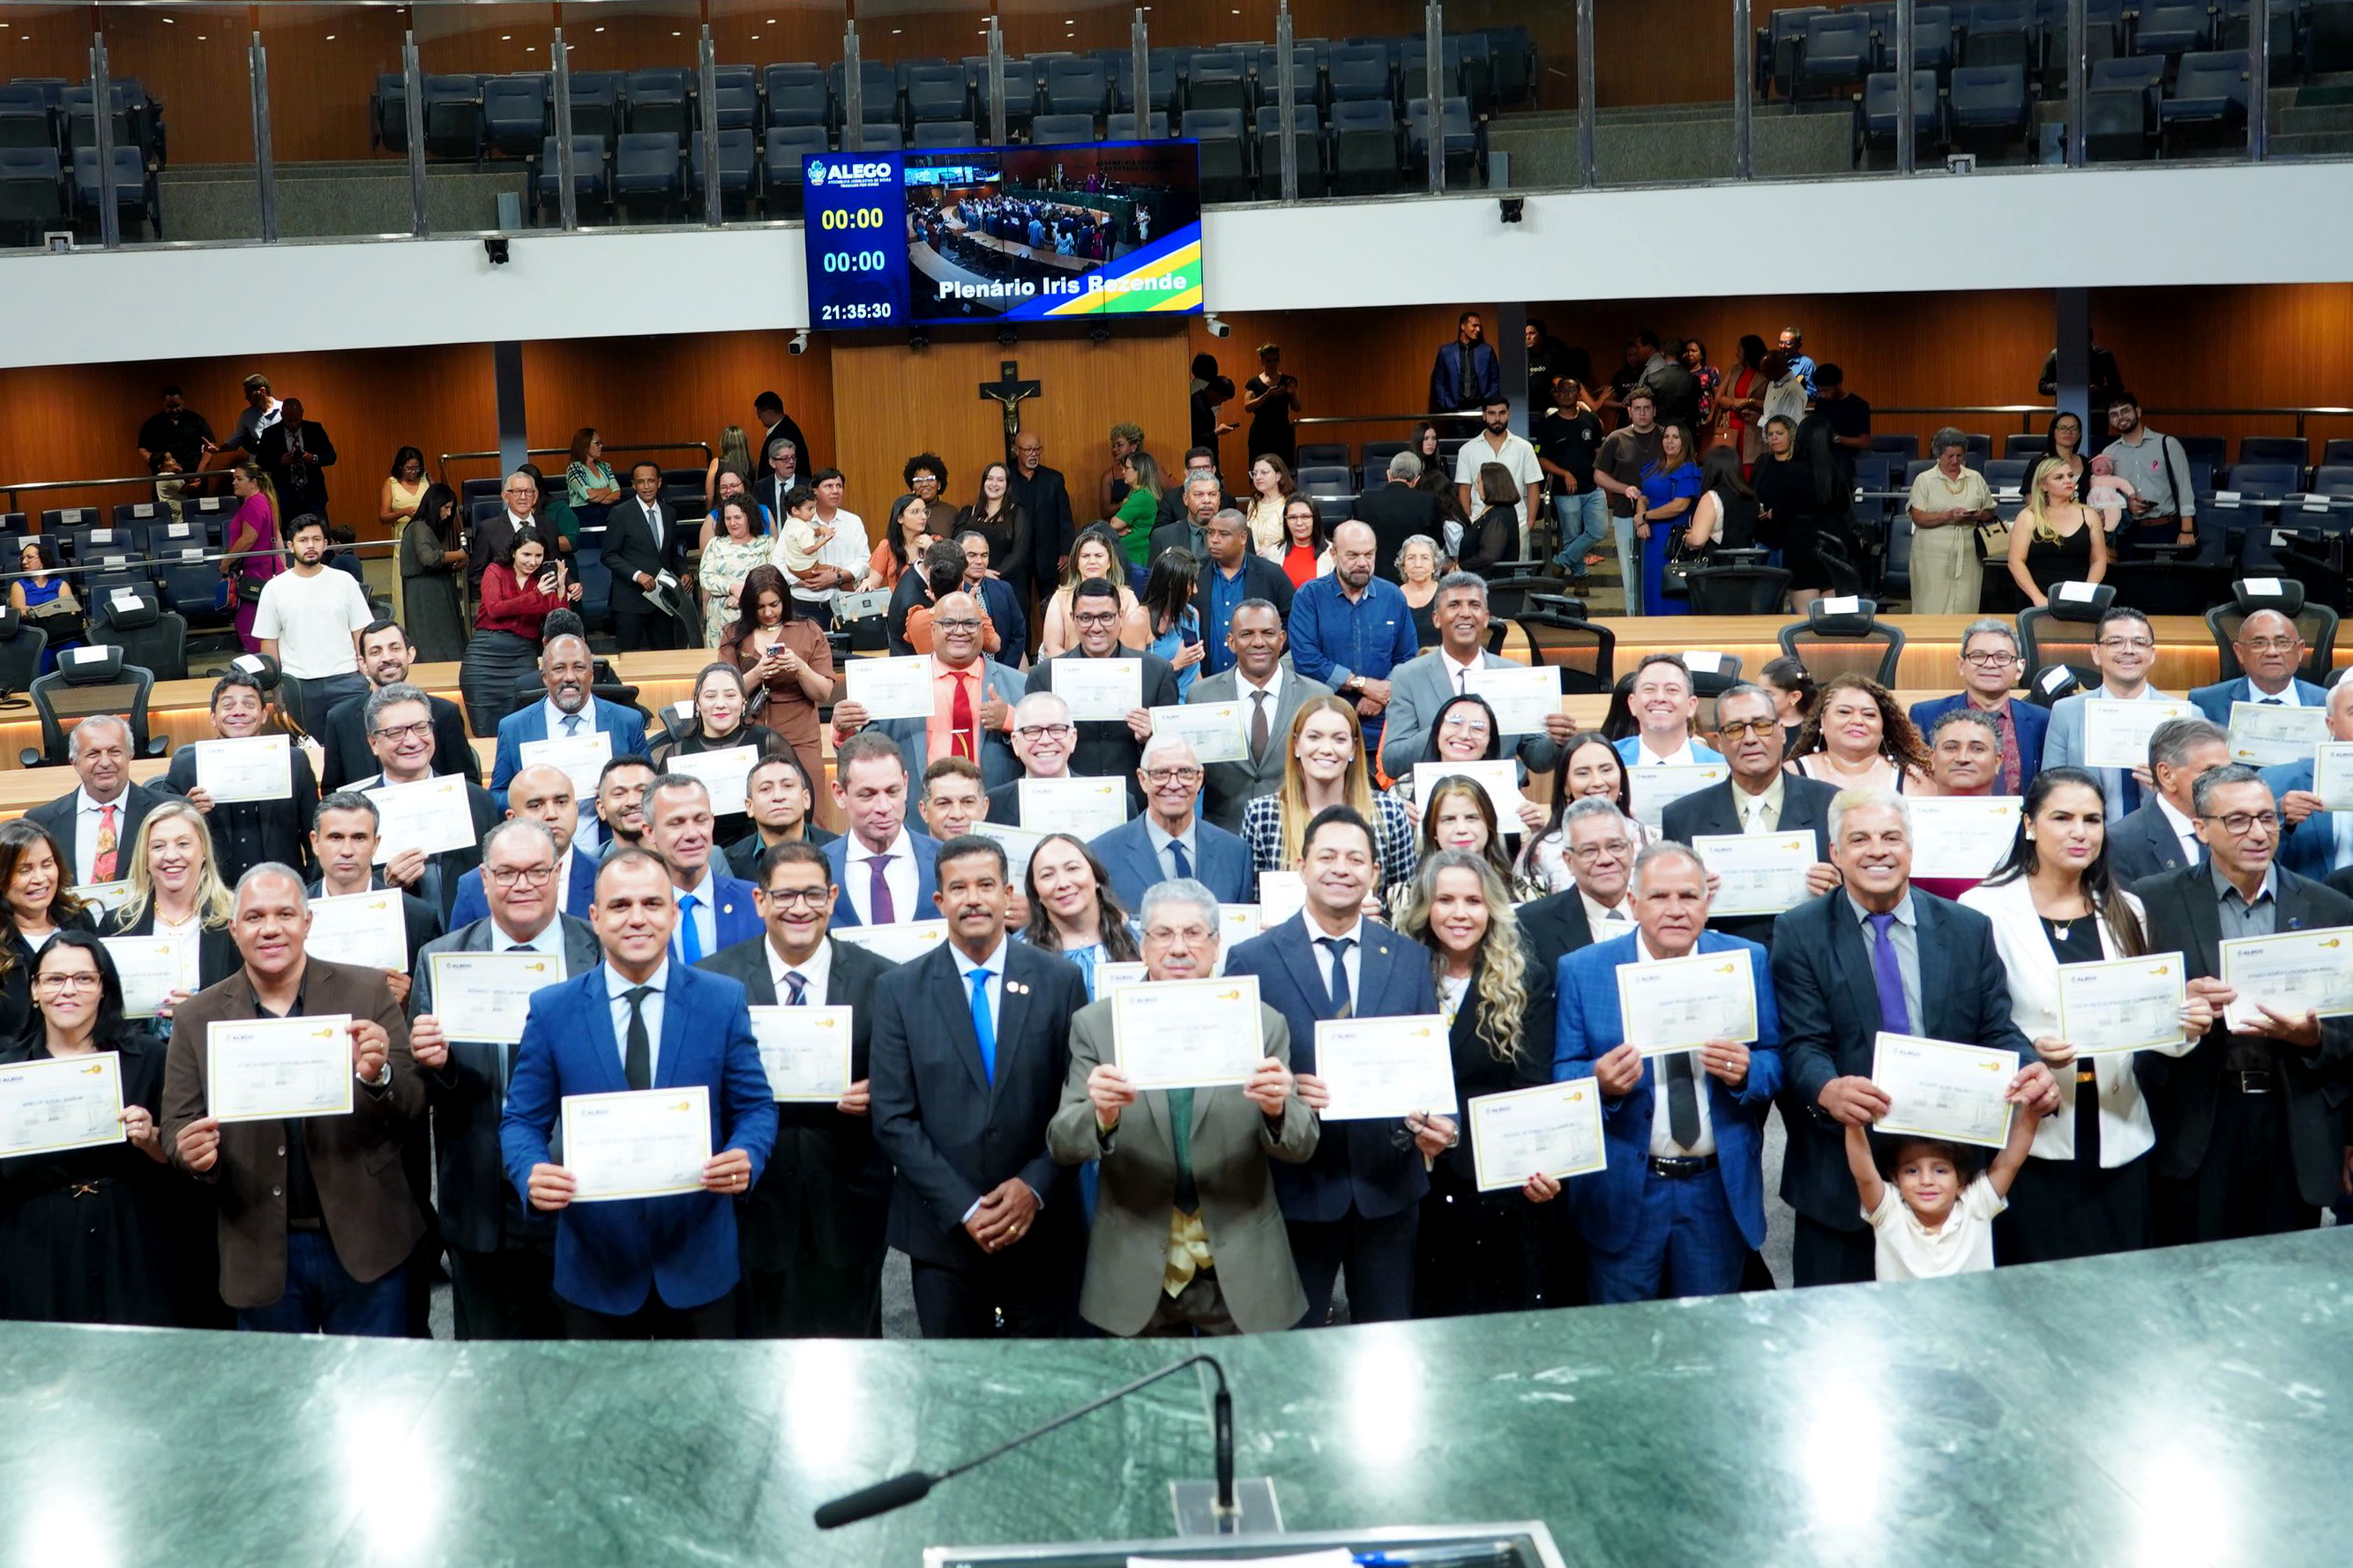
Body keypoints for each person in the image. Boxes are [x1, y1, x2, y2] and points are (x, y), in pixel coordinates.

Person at [1770, 789, 2047, 1287]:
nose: (1878, 850)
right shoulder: (1800, 931)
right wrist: (1827, 1089)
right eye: (1860, 839)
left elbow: (1996, 1028)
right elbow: (1802, 1043)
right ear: (1835, 853)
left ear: (1911, 849)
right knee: (1837, 1327)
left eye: (1891, 837)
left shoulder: (1967, 928)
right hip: (1839, 1177)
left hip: (1948, 1180)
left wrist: (2029, 1066)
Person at [497, 849, 776, 1339]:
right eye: (621, 905)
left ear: (673, 913)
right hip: (595, 1268)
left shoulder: (722, 999)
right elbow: (521, 1121)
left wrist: (746, 1153)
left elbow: (755, 1107)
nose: (638, 918)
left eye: (652, 903)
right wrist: (530, 1170)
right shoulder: (553, 1009)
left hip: (699, 1261)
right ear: (595, 917)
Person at [1960, 766, 2212, 1265]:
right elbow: (1972, 1022)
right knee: (2036, 1289)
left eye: (2092, 820)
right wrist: (2028, 1054)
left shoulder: (2127, 908)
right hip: (2031, 1137)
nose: (2080, 832)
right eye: (2062, 818)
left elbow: (2148, 1021)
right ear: (2029, 824)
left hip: (2119, 1131)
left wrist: (2186, 1021)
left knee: (2120, 1282)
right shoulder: (1982, 909)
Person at [161, 863, 422, 1333]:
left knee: (376, 1379)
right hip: (258, 1246)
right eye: (255, 917)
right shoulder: (196, 1017)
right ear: (234, 928)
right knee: (275, 1384)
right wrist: (191, 1152)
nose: (270, 929)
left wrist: (379, 1075)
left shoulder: (366, 991)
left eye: (284, 914)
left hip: (366, 1238)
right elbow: (177, 1126)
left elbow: (414, 1101)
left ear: (307, 921)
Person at [1049, 877, 1316, 1336]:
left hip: (1242, 1260)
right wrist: (1102, 1116)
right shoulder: (1097, 1026)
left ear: (1216, 945)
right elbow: (1062, 1143)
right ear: (1142, 945)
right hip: (1134, 1261)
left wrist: (1277, 1111)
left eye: (1193, 933)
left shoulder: (1260, 1023)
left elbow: (1302, 1145)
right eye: (1163, 934)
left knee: (1248, 1383)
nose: (1178, 948)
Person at [1226, 806, 1445, 1324]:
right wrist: (1283, 1096)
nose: (1341, 868)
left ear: (1375, 872)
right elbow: (1234, 1080)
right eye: (1327, 857)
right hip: (1294, 1191)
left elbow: (1429, 1067)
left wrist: (1441, 1123)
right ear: (1301, 866)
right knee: (1292, 1348)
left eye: (1355, 859)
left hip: (1388, 1190)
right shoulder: (1252, 959)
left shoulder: (1410, 958)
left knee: (1386, 1346)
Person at [869, 835, 1092, 1337]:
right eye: (959, 888)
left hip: (1043, 1231)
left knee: (1042, 1375)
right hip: (944, 1236)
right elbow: (893, 1118)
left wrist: (1034, 1187)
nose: (973, 899)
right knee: (954, 1380)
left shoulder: (1059, 982)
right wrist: (965, 1207)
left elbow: (1075, 1103)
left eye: (986, 885)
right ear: (939, 900)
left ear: (1008, 894)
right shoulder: (899, 990)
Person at [1554, 842, 1782, 1303]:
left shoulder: (1745, 959)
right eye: (1659, 896)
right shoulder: (1583, 970)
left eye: (1688, 896)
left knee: (1708, 1333)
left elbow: (1776, 1059)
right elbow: (1563, 1073)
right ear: (1633, 902)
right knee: (1626, 1336)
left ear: (1707, 901)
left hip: (1714, 1190)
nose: (1675, 910)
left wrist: (1747, 1071)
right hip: (1626, 1190)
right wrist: (1599, 1082)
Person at [2134, 765, 2353, 1243]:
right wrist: (2178, 1006)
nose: (2257, 833)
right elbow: (2132, 1018)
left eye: (2267, 818)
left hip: (2293, 1124)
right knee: (2197, 1272)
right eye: (2237, 820)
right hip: (2197, 1122)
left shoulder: (2330, 908)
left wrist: (2314, 1037)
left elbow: (2349, 1034)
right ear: (2201, 828)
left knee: (2285, 1273)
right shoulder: (2152, 902)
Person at [691, 840, 897, 1337]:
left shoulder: (883, 979)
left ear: (832, 897)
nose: (799, 908)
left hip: (850, 1205)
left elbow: (908, 1081)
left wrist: (882, 1094)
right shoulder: (713, 981)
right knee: (755, 1358)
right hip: (751, 1205)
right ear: (760, 901)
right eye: (784, 896)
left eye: (812, 894)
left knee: (851, 1361)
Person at [406, 819, 599, 1341]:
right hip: (482, 1199)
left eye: (537, 871)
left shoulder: (599, 951)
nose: (523, 885)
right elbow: (421, 1091)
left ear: (558, 874)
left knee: (585, 1365)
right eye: (508, 873)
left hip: (578, 1193)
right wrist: (435, 1065)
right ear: (485, 879)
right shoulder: (442, 958)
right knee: (486, 1369)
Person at [0, 933, 174, 1325]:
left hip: (131, 1240)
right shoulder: (7, 1069)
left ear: (103, 988)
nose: (68, 990)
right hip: (35, 1246)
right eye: (54, 979)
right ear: (34, 990)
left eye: (83, 979)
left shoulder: (149, 1057)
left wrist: (151, 1139)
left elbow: (180, 1162)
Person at [1659, 683, 1842, 950]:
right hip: (1723, 962)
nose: (1750, 738)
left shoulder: (1831, 805)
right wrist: (1688, 896)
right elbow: (1666, 909)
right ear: (1718, 742)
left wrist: (1840, 893)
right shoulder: (1682, 818)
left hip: (1814, 958)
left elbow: (1862, 900)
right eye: (1735, 729)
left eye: (1762, 725)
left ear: (1782, 732)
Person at [1378, 571, 1572, 784]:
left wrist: (1557, 742)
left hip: (1498, 795)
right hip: (1434, 796)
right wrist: (1443, 728)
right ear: (1436, 618)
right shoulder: (1408, 676)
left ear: (1486, 618)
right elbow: (1393, 763)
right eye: (1454, 605)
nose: (1465, 613)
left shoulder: (1514, 675)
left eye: (1474, 605)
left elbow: (1537, 759)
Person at [833, 590, 1027, 791]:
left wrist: (1013, 721)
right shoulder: (895, 682)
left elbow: (1045, 753)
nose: (960, 631)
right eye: (949, 623)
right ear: (933, 630)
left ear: (982, 630)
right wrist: (842, 731)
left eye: (970, 624)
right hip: (919, 807)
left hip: (994, 808)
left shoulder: (1019, 685)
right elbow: (863, 755)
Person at [1845, 1086, 2042, 1281]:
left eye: (1940, 1171)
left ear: (1961, 1181)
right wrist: (1853, 1121)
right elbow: (1864, 1176)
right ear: (1896, 1178)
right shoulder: (1888, 1211)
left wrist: (2033, 1111)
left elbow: (2010, 1162)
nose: (1926, 1181)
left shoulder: (1977, 1204)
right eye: (1912, 1171)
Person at [349, 685, 502, 922]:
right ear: (374, 743)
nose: (412, 741)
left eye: (421, 727)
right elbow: (329, 892)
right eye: (396, 732)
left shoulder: (477, 800)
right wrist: (384, 883)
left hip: (470, 935)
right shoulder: (351, 814)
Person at [1242, 696, 1419, 892]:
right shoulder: (1261, 815)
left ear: (1353, 748)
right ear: (1296, 745)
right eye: (1314, 737)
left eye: (1339, 739)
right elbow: (1252, 900)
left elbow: (1405, 902)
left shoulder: (1390, 813)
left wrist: (1376, 909)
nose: (1326, 749)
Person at [164, 668, 319, 887]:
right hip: (214, 894)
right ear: (213, 717)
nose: (239, 712)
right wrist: (186, 812)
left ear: (264, 715)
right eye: (228, 705)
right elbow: (160, 834)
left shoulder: (294, 762)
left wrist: (310, 890)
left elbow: (316, 837)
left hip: (281, 891)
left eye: (249, 704)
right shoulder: (185, 768)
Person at [1189, 601, 1333, 835]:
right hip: (1224, 835)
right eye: (1247, 634)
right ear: (1231, 642)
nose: (1258, 642)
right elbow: (1191, 771)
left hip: (1297, 835)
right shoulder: (1202, 696)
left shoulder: (1316, 697)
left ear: (1282, 639)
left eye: (1268, 633)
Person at [1020, 579, 1169, 796]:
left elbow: (1173, 752)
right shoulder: (1044, 677)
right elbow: (1030, 746)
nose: (1096, 627)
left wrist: (1154, 735)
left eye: (1106, 617)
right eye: (1086, 618)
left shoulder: (1157, 672)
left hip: (1137, 801)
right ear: (1073, 618)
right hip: (1067, 798)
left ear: (1121, 617)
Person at [1286, 521, 1417, 765]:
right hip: (1325, 730)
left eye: (1369, 554)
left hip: (1383, 729)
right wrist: (1363, 685)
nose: (1362, 562)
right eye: (1353, 555)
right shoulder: (1309, 597)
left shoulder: (1393, 597)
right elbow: (1307, 660)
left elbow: (1407, 658)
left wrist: (1382, 692)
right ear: (1334, 554)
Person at [2040, 605, 2175, 821]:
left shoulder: (2184, 717)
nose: (2128, 650)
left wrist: (2170, 789)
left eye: (2139, 643)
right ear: (2096, 653)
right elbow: (2049, 792)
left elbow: (2202, 795)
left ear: (2152, 654)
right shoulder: (2066, 713)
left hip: (2162, 835)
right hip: (2088, 836)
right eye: (2115, 642)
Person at [1089, 732, 1253, 909]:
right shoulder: (1102, 855)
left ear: (1199, 778)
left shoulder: (1236, 854)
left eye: (1185, 772)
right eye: (1161, 773)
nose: (1174, 784)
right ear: (1143, 780)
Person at [714, 564, 834, 797]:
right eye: (760, 607)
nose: (768, 613)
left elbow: (823, 693)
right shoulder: (733, 633)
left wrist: (800, 668)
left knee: (809, 803)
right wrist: (758, 673)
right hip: (749, 735)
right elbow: (725, 693)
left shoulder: (809, 631)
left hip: (800, 736)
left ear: (785, 601)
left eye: (774, 604)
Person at [251, 514, 375, 731]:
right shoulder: (274, 588)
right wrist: (277, 691)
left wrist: (368, 678)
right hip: (297, 684)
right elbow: (269, 643)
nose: (310, 545)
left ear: (325, 544)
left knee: (355, 745)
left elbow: (361, 634)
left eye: (316, 539)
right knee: (308, 748)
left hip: (348, 681)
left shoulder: (345, 582)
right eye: (303, 540)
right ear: (290, 546)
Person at [1907, 620, 2050, 799]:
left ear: (2020, 668)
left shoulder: (2042, 720)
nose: (1990, 664)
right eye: (1978, 656)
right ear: (1961, 665)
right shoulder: (1925, 716)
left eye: (2002, 657)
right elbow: (1915, 783)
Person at [448, 762, 602, 925]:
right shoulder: (474, 886)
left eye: (561, 802)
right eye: (536, 806)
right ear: (512, 818)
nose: (552, 814)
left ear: (576, 809)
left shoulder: (605, 878)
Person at [652, 663, 785, 849]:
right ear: (697, 703)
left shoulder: (768, 742)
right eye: (710, 696)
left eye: (730, 695)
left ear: (743, 701)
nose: (721, 704)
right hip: (694, 850)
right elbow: (659, 814)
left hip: (761, 850)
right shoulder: (677, 753)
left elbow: (797, 799)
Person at [641, 773, 762, 969]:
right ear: (649, 832)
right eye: (676, 823)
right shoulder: (635, 914)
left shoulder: (755, 903)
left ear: (712, 822)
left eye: (700, 820)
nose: (692, 834)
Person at [25, 713, 161, 886]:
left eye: (114, 752)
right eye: (93, 754)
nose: (105, 762)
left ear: (130, 755)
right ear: (74, 762)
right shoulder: (41, 822)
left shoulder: (164, 811)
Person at [823, 731, 941, 927]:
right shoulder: (817, 869)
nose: (884, 807)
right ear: (840, 794)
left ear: (906, 784)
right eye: (867, 795)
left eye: (892, 791)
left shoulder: (945, 861)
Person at [0, 819, 95, 1064]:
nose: (40, 878)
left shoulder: (79, 920)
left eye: (47, 864)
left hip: (86, 1062)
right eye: (24, 870)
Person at [2104, 716, 2231, 887]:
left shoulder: (2241, 828)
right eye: (2211, 771)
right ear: (2166, 775)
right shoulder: (2120, 842)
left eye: (2228, 771)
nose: (2225, 781)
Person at [1022, 832, 1144, 990]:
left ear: (1096, 877)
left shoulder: (1143, 936)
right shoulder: (1021, 952)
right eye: (1047, 875)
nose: (1063, 883)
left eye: (1072, 868)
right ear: (1035, 891)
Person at [1522, 735, 1642, 892]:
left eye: (1606, 770)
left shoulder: (1649, 839)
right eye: (1583, 773)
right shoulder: (1542, 850)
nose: (1597, 782)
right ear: (1565, 784)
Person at [1907, 427, 1998, 616]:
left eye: (1959, 456)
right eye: (1950, 456)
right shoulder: (1924, 480)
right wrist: (1948, 516)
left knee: (1966, 602)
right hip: (1931, 554)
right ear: (1939, 455)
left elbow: (1990, 512)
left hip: (1969, 552)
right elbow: (1918, 517)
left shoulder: (1975, 478)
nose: (1955, 461)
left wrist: (1979, 515)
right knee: (1931, 602)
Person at [1788, 674, 1931, 795]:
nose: (1857, 721)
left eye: (1869, 715)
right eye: (1844, 712)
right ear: (1823, 721)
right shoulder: (1791, 774)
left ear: (1884, 726)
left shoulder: (1913, 778)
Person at [603, 460, 692, 652]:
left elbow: (671, 553)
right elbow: (608, 555)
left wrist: (684, 572)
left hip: (662, 600)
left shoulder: (669, 513)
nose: (646, 486)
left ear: (659, 482)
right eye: (641, 482)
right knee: (627, 658)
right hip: (630, 602)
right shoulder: (620, 513)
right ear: (633, 485)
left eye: (650, 481)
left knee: (666, 657)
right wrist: (637, 575)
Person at [1196, 507, 1296, 679]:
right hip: (1204, 679)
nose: (1214, 540)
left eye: (1223, 534)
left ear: (1243, 538)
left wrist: (1269, 650)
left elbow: (1293, 619)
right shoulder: (1195, 573)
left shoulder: (1270, 574)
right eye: (1211, 533)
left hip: (1257, 679)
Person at [1592, 387, 1662, 615]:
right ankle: (1634, 620)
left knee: (1659, 573)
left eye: (1647, 408)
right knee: (1630, 576)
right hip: (1625, 513)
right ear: (1629, 412)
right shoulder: (1616, 438)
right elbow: (1599, 475)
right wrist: (1624, 489)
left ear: (1654, 410)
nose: (1642, 413)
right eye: (1637, 409)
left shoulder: (1666, 436)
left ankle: (1660, 620)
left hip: (1663, 513)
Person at [2102, 392, 2200, 554]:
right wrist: (2126, 505)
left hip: (2166, 528)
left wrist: (2187, 530)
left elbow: (2184, 489)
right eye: (2114, 415)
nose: (2120, 417)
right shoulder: (2109, 453)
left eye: (2125, 411)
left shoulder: (2167, 444)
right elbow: (2106, 495)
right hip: (2128, 531)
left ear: (2138, 412)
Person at [1535, 376, 1610, 586]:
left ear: (1579, 395)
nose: (1567, 395)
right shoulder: (1548, 425)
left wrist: (1604, 473)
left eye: (1571, 391)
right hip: (1564, 490)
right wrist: (1565, 473)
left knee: (1599, 530)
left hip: (1593, 487)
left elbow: (1599, 451)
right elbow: (1541, 459)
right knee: (1571, 536)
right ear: (1556, 395)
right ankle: (1580, 578)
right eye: (1563, 391)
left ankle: (1559, 562)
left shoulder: (1591, 420)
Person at [1008, 431, 1078, 653]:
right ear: (1016, 451)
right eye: (1028, 449)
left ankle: (1053, 651)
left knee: (1052, 605)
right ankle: (1023, 655)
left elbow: (1064, 516)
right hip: (1016, 556)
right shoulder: (1006, 478)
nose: (1034, 454)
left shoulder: (1053, 479)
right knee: (1020, 607)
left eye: (1037, 449)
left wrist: (1066, 549)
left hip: (1048, 554)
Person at [2006, 457, 2108, 607]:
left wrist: (2086, 593)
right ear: (2044, 485)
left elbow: (2099, 560)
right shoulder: (2028, 516)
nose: (2068, 481)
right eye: (2059, 477)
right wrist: (2038, 598)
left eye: (2070, 476)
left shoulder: (2089, 515)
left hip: (2079, 600)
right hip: (2036, 599)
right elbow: (2015, 561)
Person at [1752, 414, 1828, 611]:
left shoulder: (1800, 466)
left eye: (1779, 433)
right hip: (1767, 537)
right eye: (1770, 434)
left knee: (1799, 598)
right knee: (1767, 598)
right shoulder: (1763, 463)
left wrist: (1777, 513)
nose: (1774, 438)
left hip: (1792, 539)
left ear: (1791, 435)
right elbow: (1752, 492)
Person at [2190, 608, 2326, 720]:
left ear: (2300, 650)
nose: (2272, 652)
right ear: (2239, 652)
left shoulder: (2328, 703)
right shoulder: (2205, 703)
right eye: (2259, 644)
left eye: (2283, 643)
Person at [1454, 395, 1544, 559]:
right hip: (1479, 523)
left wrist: (1529, 523)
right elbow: (1464, 489)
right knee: (1482, 571)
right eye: (1492, 413)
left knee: (1518, 571)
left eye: (1502, 413)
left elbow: (1533, 486)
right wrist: (1469, 520)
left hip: (1518, 524)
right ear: (1484, 415)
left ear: (1508, 414)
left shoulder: (1524, 448)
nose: (1497, 418)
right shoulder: (1467, 450)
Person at [721, 754, 833, 877]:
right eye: (765, 789)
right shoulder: (729, 863)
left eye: (788, 786)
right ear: (750, 806)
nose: (778, 796)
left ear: (806, 799)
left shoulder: (838, 851)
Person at [1632, 422, 1703, 617]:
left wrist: (1646, 516)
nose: (1669, 441)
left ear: (1684, 442)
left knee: (1672, 589)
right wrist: (1642, 522)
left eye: (1675, 437)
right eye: (1666, 437)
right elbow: (1643, 498)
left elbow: (1679, 505)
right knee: (1653, 587)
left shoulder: (1687, 469)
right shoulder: (1655, 467)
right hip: (1652, 537)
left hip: (1673, 539)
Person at [1037, 525, 1137, 661]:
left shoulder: (1128, 598)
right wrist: (1080, 669)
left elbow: (1133, 649)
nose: (1092, 561)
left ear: (1109, 562)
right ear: (1076, 563)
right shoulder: (1060, 598)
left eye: (1099, 556)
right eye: (1085, 556)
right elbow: (1052, 647)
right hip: (1070, 669)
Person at [395, 481, 467, 662]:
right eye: (446, 508)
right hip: (426, 594)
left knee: (443, 640)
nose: (448, 514)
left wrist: (452, 565)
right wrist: (459, 554)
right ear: (435, 505)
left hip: (436, 589)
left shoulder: (424, 527)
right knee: (433, 643)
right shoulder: (419, 527)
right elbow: (429, 558)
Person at [1614, 654, 1727, 769]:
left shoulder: (1723, 767)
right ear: (1632, 704)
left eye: (1672, 689)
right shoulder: (1609, 758)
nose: (1660, 698)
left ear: (1691, 705)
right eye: (1649, 689)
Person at [1122, 548, 1205, 702]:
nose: (1195, 590)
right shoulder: (1138, 622)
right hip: (1159, 707)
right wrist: (1175, 664)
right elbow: (1130, 681)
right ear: (1172, 585)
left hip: (1192, 705)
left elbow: (1195, 671)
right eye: (1190, 583)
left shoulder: (1192, 614)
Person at [220, 460, 283, 653]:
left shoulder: (254, 504)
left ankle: (267, 664)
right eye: (234, 478)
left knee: (247, 624)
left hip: (258, 573)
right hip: (267, 570)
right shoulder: (264, 500)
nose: (234, 482)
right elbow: (277, 536)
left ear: (253, 482)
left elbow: (248, 539)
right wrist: (284, 567)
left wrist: (225, 563)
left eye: (239, 479)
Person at [701, 495, 778, 642]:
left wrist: (743, 594)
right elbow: (706, 578)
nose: (732, 523)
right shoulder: (715, 544)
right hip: (721, 619)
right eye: (728, 518)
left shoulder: (767, 543)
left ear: (749, 517)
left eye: (737, 517)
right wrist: (732, 588)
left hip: (757, 614)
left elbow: (773, 577)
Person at [253, 398, 336, 520]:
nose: (293, 424)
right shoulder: (270, 434)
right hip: (285, 496)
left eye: (297, 420)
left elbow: (331, 456)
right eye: (289, 420)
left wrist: (313, 458)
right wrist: (280, 462)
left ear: (302, 413)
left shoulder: (315, 429)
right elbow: (260, 462)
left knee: (319, 528)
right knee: (289, 529)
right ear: (282, 415)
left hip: (313, 494)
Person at [955, 460, 1030, 596]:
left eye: (1000, 480)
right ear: (984, 482)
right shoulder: (969, 512)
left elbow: (1019, 553)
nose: (994, 484)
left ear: (1007, 485)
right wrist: (980, 573)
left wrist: (990, 574)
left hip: (1007, 584)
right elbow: (956, 548)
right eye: (990, 479)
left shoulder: (1018, 514)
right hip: (971, 583)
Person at [468, 470, 537, 597]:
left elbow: (556, 564)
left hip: (543, 604)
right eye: (517, 492)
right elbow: (476, 576)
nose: (523, 497)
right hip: (505, 605)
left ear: (535, 495)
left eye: (528, 491)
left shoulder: (548, 525)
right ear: (505, 496)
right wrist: (499, 598)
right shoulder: (488, 529)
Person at [138, 384, 215, 482]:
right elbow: (143, 450)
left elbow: (210, 445)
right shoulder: (152, 423)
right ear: (163, 403)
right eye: (169, 406)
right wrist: (161, 466)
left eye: (177, 405)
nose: (174, 410)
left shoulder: (195, 420)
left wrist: (199, 473)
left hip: (194, 474)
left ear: (182, 401)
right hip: (165, 478)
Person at [1429, 309, 1500, 414]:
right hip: (1454, 409)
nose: (1478, 329)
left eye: (1479, 326)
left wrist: (1490, 400)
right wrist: (1443, 403)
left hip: (1481, 408)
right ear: (1463, 326)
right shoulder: (1446, 352)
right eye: (1474, 326)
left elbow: (1495, 379)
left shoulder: (1487, 351)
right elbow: (1439, 381)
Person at [1242, 343, 1301, 468]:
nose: (1272, 364)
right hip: (1260, 433)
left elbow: (1297, 407)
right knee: (1260, 468)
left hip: (1282, 431)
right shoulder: (1254, 383)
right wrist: (1267, 395)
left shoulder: (1287, 380)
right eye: (1268, 361)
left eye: (1275, 360)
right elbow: (1247, 407)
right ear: (1262, 361)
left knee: (1284, 468)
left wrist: (1292, 393)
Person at [1719, 335, 1771, 475]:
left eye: (1739, 350)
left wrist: (1749, 402)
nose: (1736, 353)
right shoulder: (1735, 369)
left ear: (1749, 352)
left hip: (1753, 430)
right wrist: (1735, 403)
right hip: (1731, 429)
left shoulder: (1766, 374)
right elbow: (1719, 398)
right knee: (1731, 471)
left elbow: (1770, 405)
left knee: (1749, 472)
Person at [867, 491, 935, 595]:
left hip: (928, 602)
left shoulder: (934, 542)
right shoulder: (887, 546)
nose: (923, 517)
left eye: (925, 512)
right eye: (915, 512)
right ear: (900, 518)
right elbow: (873, 582)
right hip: (898, 603)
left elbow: (946, 577)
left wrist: (931, 548)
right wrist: (868, 582)